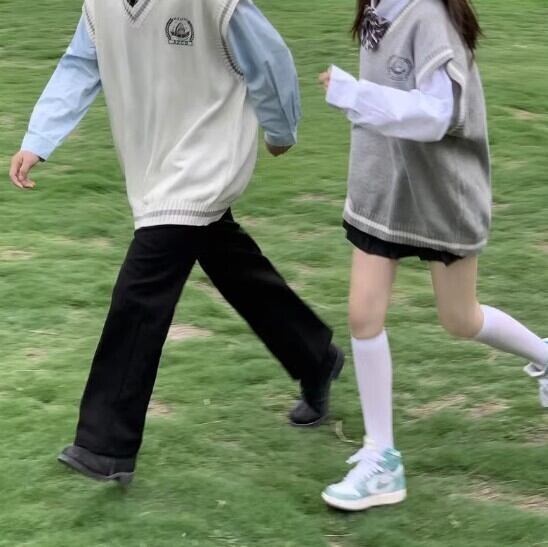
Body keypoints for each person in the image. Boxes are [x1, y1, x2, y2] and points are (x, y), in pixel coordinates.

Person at [9, 0, 344, 485]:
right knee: (234, 268)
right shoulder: (99, 5)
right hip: (155, 162)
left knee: (140, 292)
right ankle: (315, 357)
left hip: (205, 161)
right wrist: (38, 138)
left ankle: (105, 446)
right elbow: (80, 64)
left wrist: (280, 128)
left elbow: (269, 58)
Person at [317, 0, 547, 512]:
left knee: (460, 319)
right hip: (383, 191)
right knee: (362, 315)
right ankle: (382, 457)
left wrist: (355, 95)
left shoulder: (427, 16)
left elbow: (439, 113)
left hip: (442, 197)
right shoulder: (376, 6)